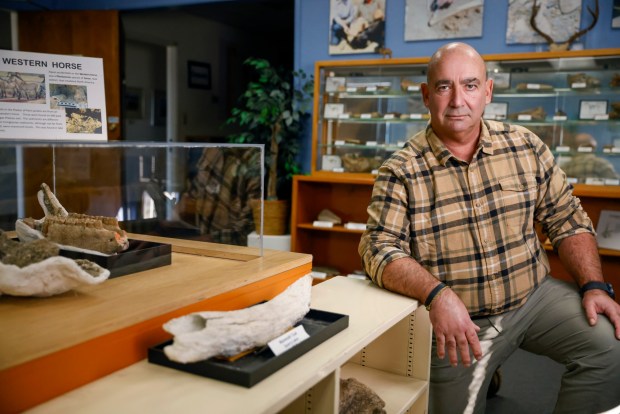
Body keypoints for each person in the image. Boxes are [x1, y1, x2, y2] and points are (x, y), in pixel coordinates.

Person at [359, 42, 620, 414]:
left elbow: (566, 216)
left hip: (533, 299)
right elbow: (379, 248)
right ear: (426, 95)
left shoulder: (525, 146)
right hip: (459, 320)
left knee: (610, 346)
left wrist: (594, 286)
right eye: (444, 86)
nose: (457, 100)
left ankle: (492, 367)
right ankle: (485, 366)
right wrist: (438, 295)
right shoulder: (400, 171)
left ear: (488, 91)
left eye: (469, 85)